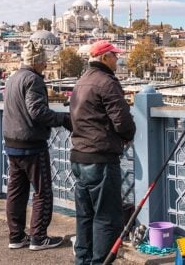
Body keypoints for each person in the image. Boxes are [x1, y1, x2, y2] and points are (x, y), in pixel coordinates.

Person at [70, 40, 136, 264]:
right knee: (107, 218)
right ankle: (100, 261)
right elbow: (122, 120)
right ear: (105, 58)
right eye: (114, 56)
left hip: (79, 156)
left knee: (85, 216)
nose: (118, 59)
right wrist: (127, 136)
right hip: (100, 158)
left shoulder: (81, 81)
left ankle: (83, 260)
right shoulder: (106, 82)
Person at [3, 40, 72, 251]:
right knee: (43, 191)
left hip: (12, 143)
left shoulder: (12, 78)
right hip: (31, 144)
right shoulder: (33, 80)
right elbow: (37, 111)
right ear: (37, 61)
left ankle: (16, 236)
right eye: (45, 62)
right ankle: (39, 237)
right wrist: (63, 119)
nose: (46, 65)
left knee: (16, 191)